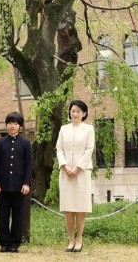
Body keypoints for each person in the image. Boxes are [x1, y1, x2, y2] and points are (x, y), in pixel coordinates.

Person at [56, 99, 95, 253]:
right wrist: (65, 166)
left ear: (84, 113)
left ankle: (79, 239)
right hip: (65, 172)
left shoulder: (89, 129)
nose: (75, 114)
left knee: (80, 206)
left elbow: (89, 149)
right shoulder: (64, 129)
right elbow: (59, 149)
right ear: (69, 113)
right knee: (68, 207)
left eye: (79, 111)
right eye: (73, 111)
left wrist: (77, 168)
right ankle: (71, 239)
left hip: (82, 173)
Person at [0, 112, 33, 253]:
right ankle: (4, 243)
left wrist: (27, 183)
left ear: (19, 126)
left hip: (19, 186)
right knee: (3, 216)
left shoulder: (25, 144)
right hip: (2, 186)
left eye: (15, 123)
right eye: (10, 123)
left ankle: (15, 243)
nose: (12, 126)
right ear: (6, 125)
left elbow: (29, 165)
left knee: (17, 216)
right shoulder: (0, 142)